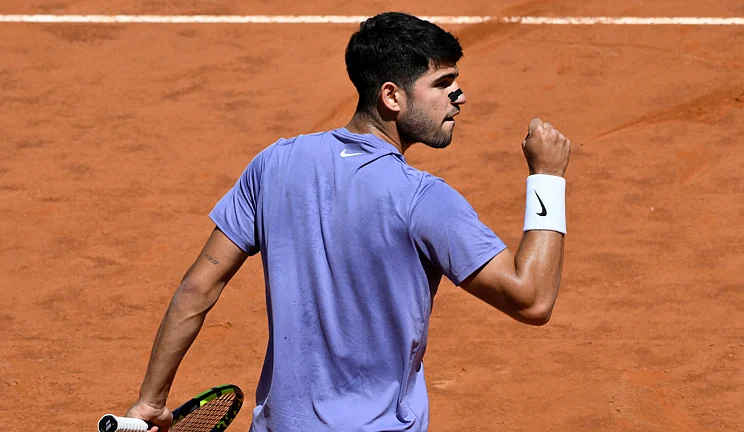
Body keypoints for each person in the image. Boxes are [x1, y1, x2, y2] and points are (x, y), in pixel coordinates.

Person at [124, 11, 571, 432]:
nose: (459, 96)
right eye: (443, 83)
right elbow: (531, 300)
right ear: (392, 96)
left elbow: (198, 289)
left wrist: (150, 402)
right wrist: (547, 178)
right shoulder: (423, 198)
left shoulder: (274, 164)